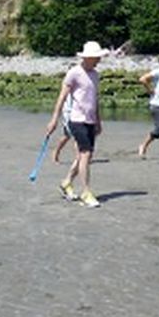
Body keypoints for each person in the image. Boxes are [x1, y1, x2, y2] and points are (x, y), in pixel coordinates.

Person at [46, 40, 106, 208]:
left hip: (90, 120)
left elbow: (95, 100)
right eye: (95, 57)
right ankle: (86, 192)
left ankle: (66, 182)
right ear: (86, 57)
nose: (98, 60)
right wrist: (54, 119)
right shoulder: (74, 73)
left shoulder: (95, 75)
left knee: (83, 156)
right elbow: (62, 97)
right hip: (76, 119)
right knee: (85, 154)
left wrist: (98, 121)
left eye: (98, 57)